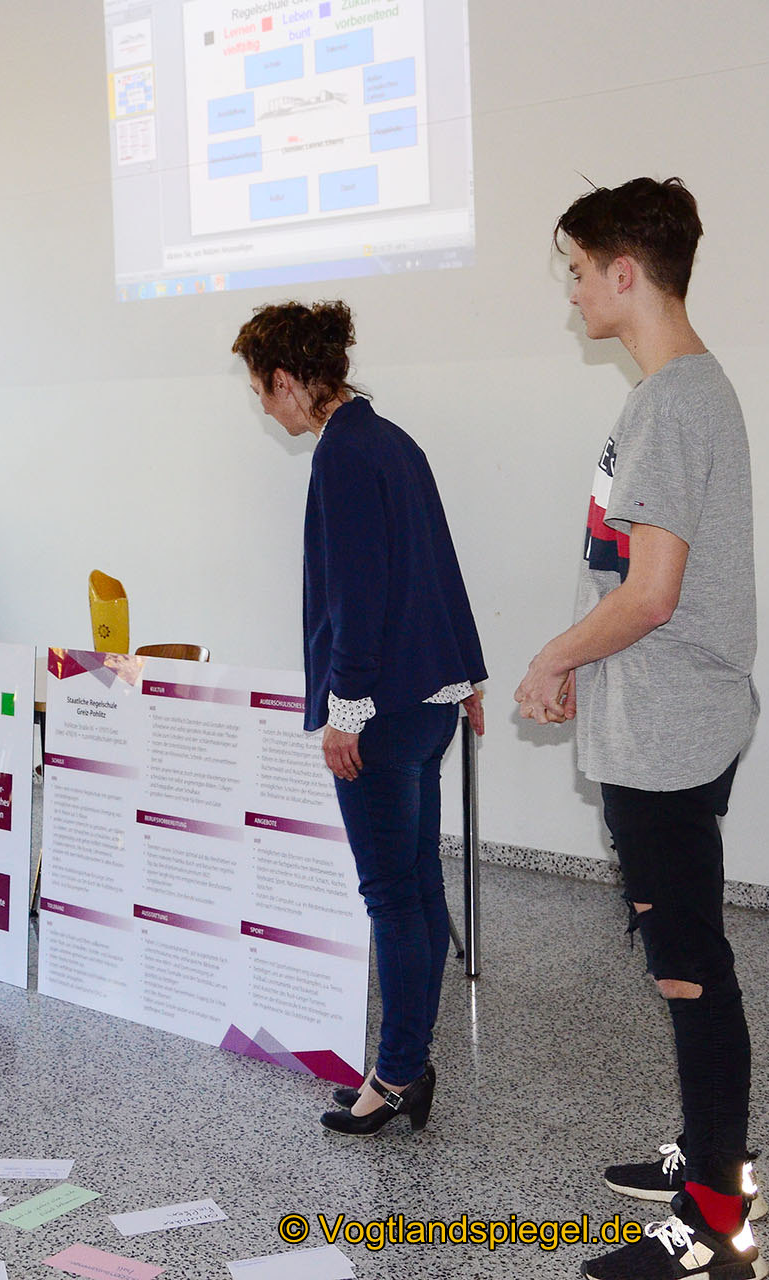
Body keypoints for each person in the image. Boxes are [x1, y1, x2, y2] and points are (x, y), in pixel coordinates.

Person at [514, 177, 765, 1280]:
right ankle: (713, 1154)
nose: (572, 293)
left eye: (578, 272)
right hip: (663, 718)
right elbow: (636, 575)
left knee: (688, 969)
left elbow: (652, 594)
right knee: (688, 956)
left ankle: (715, 1219)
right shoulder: (680, 391)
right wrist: (586, 655)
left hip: (665, 733)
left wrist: (555, 656)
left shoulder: (674, 402)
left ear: (625, 271)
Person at [232, 300, 487, 1139]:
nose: (264, 406)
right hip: (429, 700)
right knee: (416, 885)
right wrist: (466, 675)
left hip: (381, 710)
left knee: (391, 896)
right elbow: (439, 565)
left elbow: (356, 595)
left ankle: (400, 1072)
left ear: (285, 379)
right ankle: (407, 1063)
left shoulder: (342, 453)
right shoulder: (390, 438)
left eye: (260, 390)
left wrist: (345, 712)